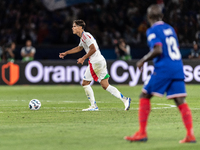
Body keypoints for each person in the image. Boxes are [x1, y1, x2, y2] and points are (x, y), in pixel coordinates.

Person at [125, 4, 196, 143]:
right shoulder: (170, 29)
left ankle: (142, 133)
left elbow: (158, 49)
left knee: (144, 95)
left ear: (148, 17)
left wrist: (143, 60)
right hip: (177, 66)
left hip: (164, 68)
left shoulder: (152, 30)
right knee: (179, 100)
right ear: (162, 16)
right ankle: (190, 135)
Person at [59, 20, 131, 111]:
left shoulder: (85, 36)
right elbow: (79, 48)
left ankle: (94, 106)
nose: (72, 28)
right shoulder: (83, 37)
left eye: (74, 26)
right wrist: (66, 53)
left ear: (80, 27)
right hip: (100, 60)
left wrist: (83, 58)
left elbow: (93, 49)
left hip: (95, 62)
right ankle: (125, 99)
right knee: (105, 85)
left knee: (85, 83)